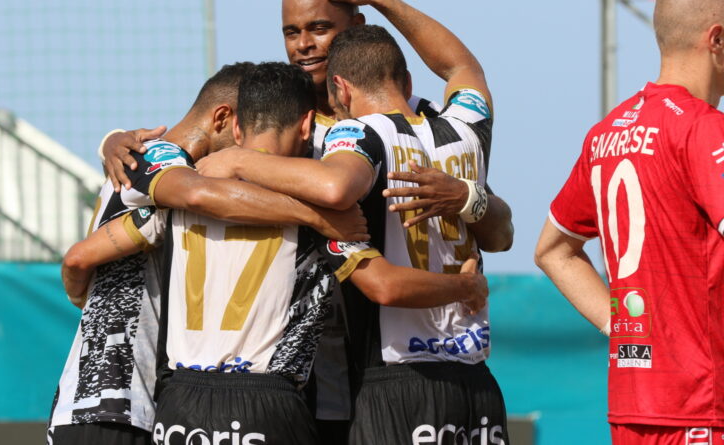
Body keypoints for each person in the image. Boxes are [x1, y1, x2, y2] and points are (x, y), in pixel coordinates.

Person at [64, 61, 490, 444]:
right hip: (267, 403)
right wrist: (466, 285)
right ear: (307, 127)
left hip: (180, 403)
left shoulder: (174, 188)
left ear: (235, 127)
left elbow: (80, 256)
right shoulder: (326, 211)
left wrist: (111, 141)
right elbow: (385, 285)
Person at [196, 24, 512, 444]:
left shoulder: (357, 132)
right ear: (407, 81)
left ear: (342, 90)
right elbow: (463, 66)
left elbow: (335, 187)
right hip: (476, 382)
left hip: (399, 384)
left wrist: (239, 161)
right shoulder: (465, 125)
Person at [47, 62, 367, 445]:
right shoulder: (174, 172)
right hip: (148, 399)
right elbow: (199, 194)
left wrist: (85, 299)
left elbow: (77, 258)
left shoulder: (160, 181)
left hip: (154, 398)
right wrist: (317, 217)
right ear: (226, 120)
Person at [534, 0, 724, 443]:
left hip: (633, 406)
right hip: (701, 406)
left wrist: (623, 328)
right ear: (716, 39)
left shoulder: (606, 132)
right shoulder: (703, 128)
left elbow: (553, 251)